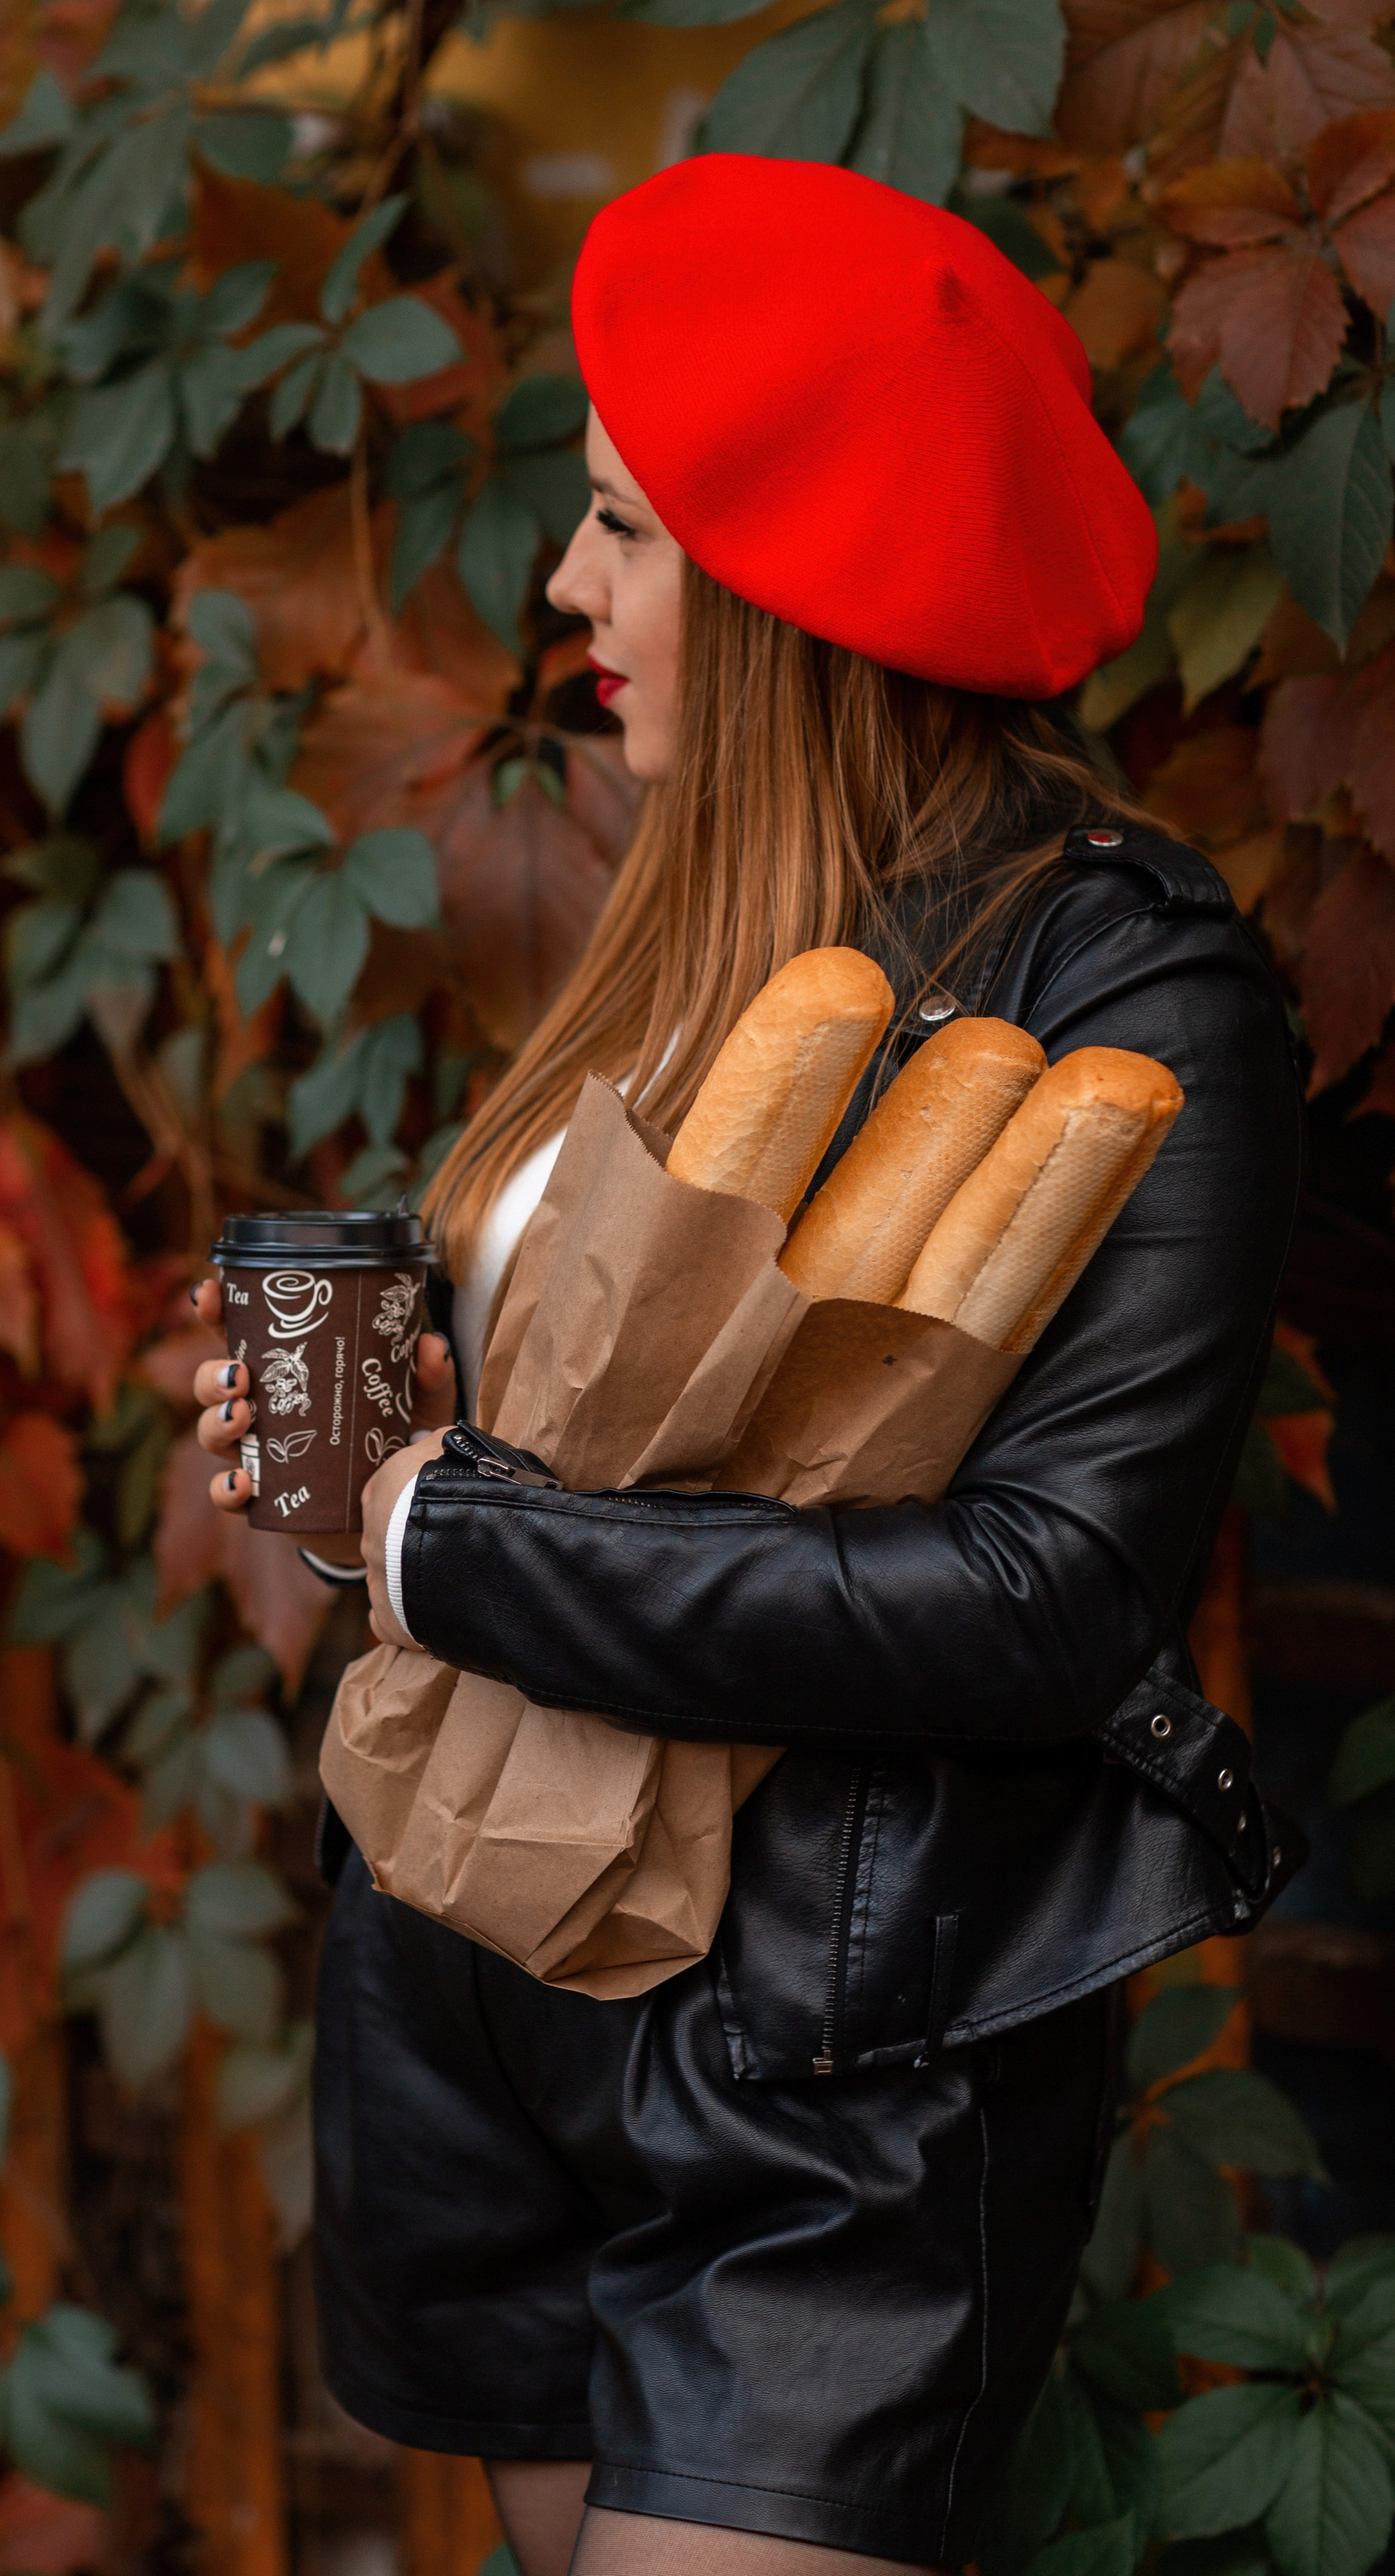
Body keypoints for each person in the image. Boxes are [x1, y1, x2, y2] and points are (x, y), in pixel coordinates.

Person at [189, 157, 1303, 2576]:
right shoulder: (691, 926)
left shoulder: (1132, 999)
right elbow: (587, 1437)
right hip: (473, 1971)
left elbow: (1040, 1603)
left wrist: (432, 1531)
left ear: (792, 587)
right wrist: (352, 1445)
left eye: (621, 526)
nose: (569, 585)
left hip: (820, 2059)